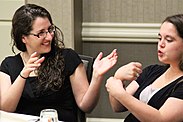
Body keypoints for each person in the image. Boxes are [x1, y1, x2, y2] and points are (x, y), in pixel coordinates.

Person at [0, 4, 118, 122]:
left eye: (50, 30)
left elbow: (86, 105)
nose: (49, 37)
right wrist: (23, 75)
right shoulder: (9, 65)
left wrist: (97, 76)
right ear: (23, 38)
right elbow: (6, 109)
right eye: (41, 33)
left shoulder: (67, 58)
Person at [105, 14, 183, 122]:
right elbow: (118, 106)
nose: (161, 44)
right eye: (160, 38)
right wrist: (119, 77)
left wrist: (119, 93)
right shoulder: (153, 71)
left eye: (169, 40)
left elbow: (161, 119)